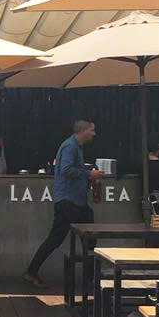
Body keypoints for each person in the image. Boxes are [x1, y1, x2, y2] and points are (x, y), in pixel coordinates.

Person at [23, 120, 103, 287]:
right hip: (69, 201)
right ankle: (32, 271)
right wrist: (89, 174)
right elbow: (66, 169)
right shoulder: (70, 147)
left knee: (86, 236)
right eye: (92, 130)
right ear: (82, 130)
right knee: (60, 238)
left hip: (75, 201)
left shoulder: (76, 147)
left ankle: (90, 278)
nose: (94, 134)